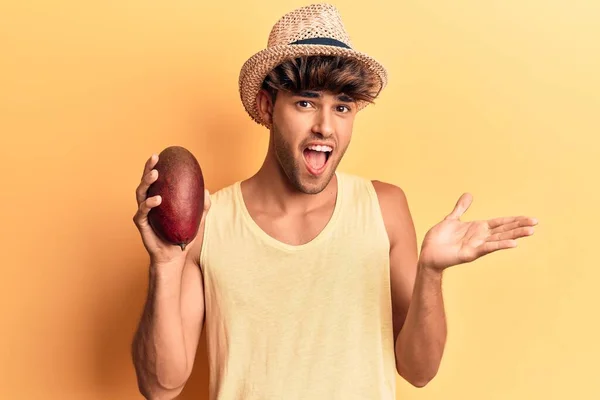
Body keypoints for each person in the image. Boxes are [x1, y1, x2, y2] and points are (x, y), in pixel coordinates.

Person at [130, 4, 538, 400]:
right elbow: (160, 387)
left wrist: (430, 274)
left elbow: (419, 371)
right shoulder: (210, 221)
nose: (325, 126)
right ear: (267, 106)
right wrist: (166, 265)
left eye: (342, 107)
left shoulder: (384, 208)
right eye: (306, 103)